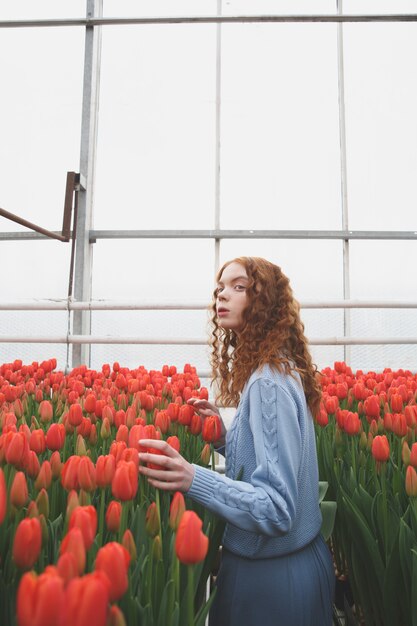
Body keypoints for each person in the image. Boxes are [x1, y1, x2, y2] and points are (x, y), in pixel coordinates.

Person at [138, 256, 335, 626]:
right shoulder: (279, 366)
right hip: (297, 564)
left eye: (238, 287)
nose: (222, 296)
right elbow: (280, 463)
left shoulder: (267, 383)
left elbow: (277, 508)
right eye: (220, 288)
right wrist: (228, 436)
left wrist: (192, 477)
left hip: (270, 585)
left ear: (264, 302)